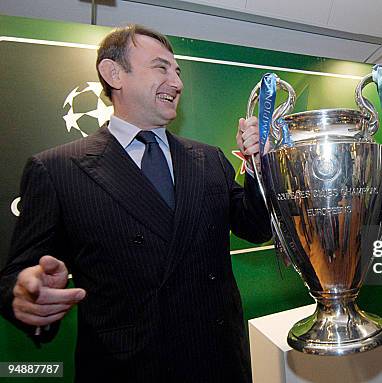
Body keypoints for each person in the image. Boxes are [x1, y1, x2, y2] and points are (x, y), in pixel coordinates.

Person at [0, 25, 271, 382]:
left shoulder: (209, 159)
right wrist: (27, 294)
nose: (176, 83)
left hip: (218, 363)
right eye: (161, 68)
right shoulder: (57, 169)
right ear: (114, 74)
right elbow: (15, 279)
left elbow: (256, 227)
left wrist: (257, 167)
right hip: (126, 370)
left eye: (177, 71)